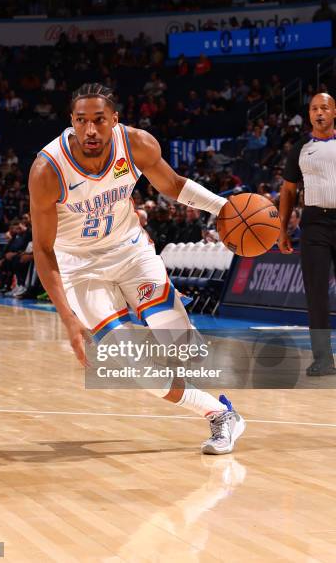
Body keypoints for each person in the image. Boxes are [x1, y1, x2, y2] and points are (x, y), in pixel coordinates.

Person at [29, 83, 245, 454]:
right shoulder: (48, 169)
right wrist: (67, 317)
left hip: (130, 251)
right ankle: (219, 414)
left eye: (99, 120)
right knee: (135, 366)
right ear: (72, 122)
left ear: (115, 120)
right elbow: (44, 250)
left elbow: (174, 185)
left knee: (183, 346)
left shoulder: (136, 144)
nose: (90, 130)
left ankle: (172, 320)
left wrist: (224, 208)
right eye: (81, 121)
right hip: (81, 269)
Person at [279, 93, 336, 376]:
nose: (319, 112)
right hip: (315, 224)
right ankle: (323, 359)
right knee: (316, 293)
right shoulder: (301, 147)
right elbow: (288, 190)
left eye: (324, 107)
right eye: (314, 108)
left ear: (334, 111)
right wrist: (283, 229)